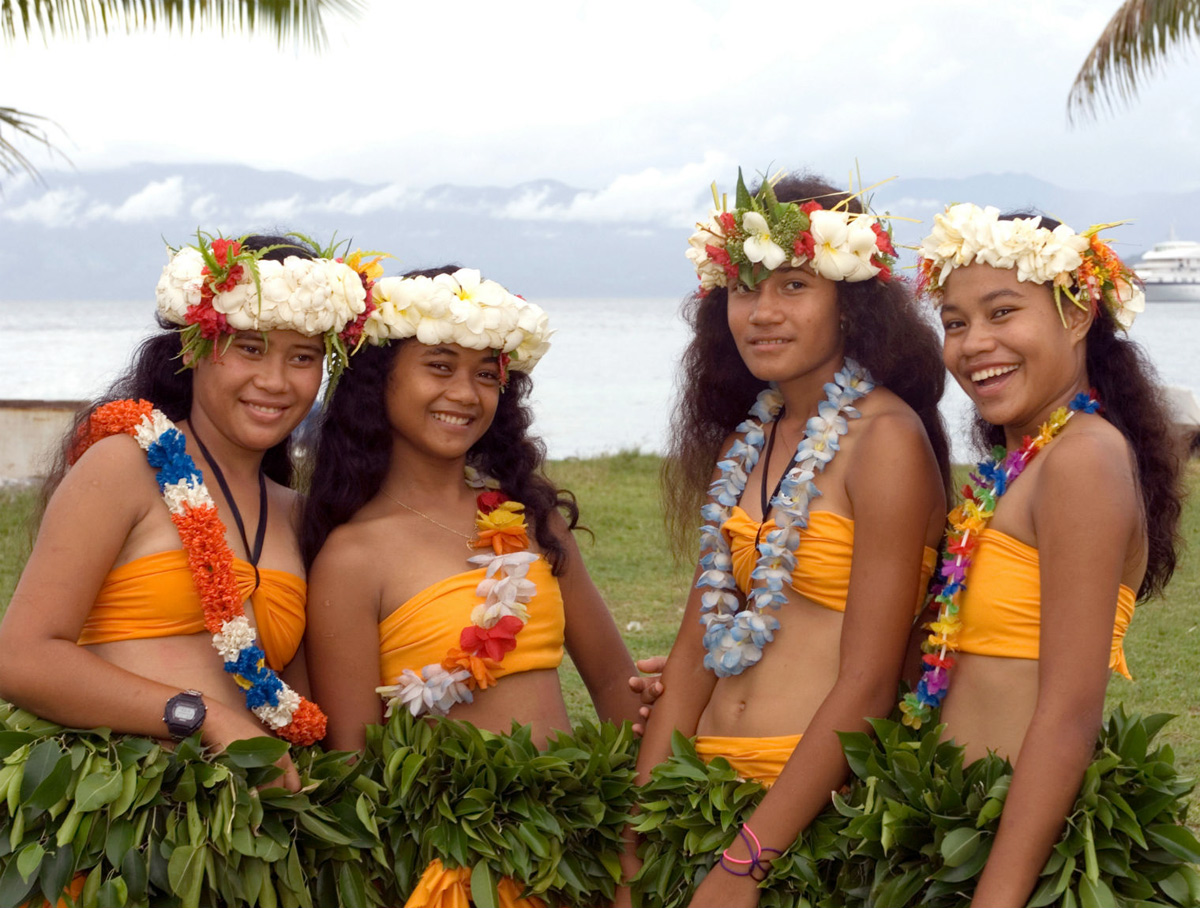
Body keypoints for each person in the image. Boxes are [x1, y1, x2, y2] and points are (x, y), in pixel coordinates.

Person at [625, 170, 950, 907]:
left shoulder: (885, 440)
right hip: (698, 798)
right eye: (745, 288)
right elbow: (692, 656)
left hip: (800, 821)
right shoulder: (757, 435)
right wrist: (635, 850)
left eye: (794, 286)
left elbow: (868, 683)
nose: (762, 313)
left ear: (850, 303)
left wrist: (748, 860)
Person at [300, 265, 644, 907]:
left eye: (487, 373)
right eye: (439, 365)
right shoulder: (352, 557)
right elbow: (353, 764)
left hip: (578, 852)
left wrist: (634, 843)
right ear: (380, 379)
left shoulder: (527, 520)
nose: (465, 392)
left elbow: (611, 685)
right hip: (452, 870)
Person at [0, 233, 374, 792]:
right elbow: (20, 658)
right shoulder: (125, 466)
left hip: (250, 834)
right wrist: (204, 717)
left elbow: (294, 701)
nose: (275, 382)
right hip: (118, 812)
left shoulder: (296, 514)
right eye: (250, 347)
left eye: (302, 357)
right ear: (196, 348)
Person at [896, 203, 1183, 906]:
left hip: (1018, 859)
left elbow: (1068, 713)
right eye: (955, 322)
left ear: (1077, 314)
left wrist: (996, 896)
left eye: (1002, 312)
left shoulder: (1083, 459)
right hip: (956, 835)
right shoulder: (1026, 461)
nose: (972, 343)